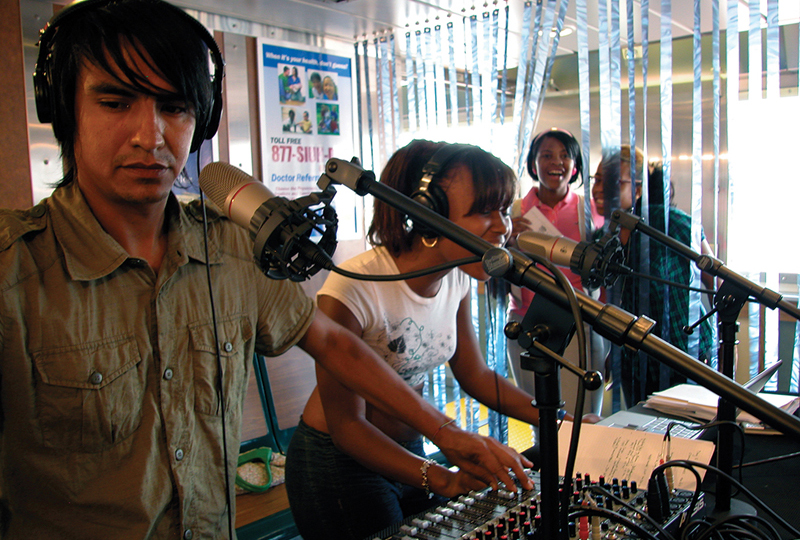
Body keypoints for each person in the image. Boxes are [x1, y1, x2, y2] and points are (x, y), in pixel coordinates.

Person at [0, 2, 532, 538]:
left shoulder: (231, 247)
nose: (151, 135)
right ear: (62, 108)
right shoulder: (13, 272)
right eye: (115, 102)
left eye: (175, 107)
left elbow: (333, 344)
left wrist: (448, 434)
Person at [285, 141, 543, 540]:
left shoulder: (457, 272)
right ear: (426, 213)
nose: (503, 226)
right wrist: (442, 479)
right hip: (339, 461)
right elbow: (347, 426)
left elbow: (474, 374)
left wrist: (560, 422)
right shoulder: (354, 289)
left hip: (411, 449)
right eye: (484, 211)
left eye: (504, 210)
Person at [592, 146, 716, 406]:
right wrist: (613, 353)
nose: (599, 189)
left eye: (612, 181)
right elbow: (610, 303)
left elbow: (717, 281)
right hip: (634, 359)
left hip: (686, 352)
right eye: (598, 180)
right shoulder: (602, 239)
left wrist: (724, 344)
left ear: (638, 189)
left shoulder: (672, 223)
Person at [506, 128, 606, 419]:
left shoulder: (591, 211)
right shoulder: (513, 212)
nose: (556, 162)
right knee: (539, 415)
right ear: (533, 163)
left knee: (585, 417)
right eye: (546, 155)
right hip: (527, 320)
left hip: (581, 318)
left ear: (575, 166)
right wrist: (508, 241)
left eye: (565, 155)